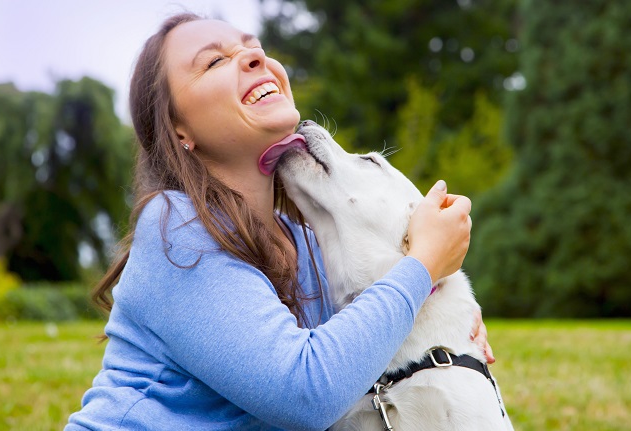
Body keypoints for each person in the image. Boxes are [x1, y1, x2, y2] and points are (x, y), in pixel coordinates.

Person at [66, 12, 492, 431]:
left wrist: (442, 326)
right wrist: (422, 266)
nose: (255, 59)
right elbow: (305, 395)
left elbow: (357, 343)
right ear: (178, 129)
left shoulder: (308, 244)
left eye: (255, 49)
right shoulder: (175, 225)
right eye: (214, 61)